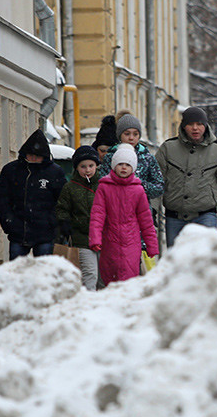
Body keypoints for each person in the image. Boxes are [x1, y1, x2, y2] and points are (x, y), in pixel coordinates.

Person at [156, 106, 217, 248]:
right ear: (183, 126)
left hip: (205, 216)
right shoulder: (168, 149)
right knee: (176, 262)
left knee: (203, 261)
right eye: (191, 124)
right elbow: (157, 183)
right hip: (175, 218)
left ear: (205, 125)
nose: (195, 128)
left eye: (199, 124)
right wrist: (151, 211)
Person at [88, 144, 159, 285]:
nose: (124, 167)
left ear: (133, 167)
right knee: (109, 277)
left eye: (127, 164)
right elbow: (97, 215)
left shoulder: (138, 190)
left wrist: (152, 245)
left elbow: (146, 221)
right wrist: (95, 238)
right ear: (114, 165)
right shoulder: (104, 187)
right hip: (110, 241)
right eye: (120, 164)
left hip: (132, 241)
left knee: (129, 277)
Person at [0, 129, 67, 259]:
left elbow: (63, 200)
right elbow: (1, 198)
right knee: (17, 272)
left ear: (44, 156)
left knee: (44, 271)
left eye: (37, 155)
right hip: (19, 231)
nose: (33, 158)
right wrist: (8, 221)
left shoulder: (54, 172)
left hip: (45, 232)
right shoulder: (12, 171)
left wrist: (52, 222)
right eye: (30, 155)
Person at [55, 146, 101, 290]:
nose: (87, 170)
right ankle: (89, 305)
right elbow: (62, 209)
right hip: (81, 238)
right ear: (76, 168)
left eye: (91, 166)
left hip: (103, 237)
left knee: (104, 277)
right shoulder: (70, 188)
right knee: (90, 274)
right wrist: (67, 224)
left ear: (96, 166)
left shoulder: (104, 185)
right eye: (83, 166)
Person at [99, 113, 164, 202]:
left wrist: (139, 185)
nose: (131, 138)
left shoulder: (147, 158)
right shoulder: (110, 157)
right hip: (115, 208)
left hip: (141, 210)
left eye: (135, 134)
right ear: (119, 135)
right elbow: (102, 184)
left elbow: (159, 187)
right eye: (127, 134)